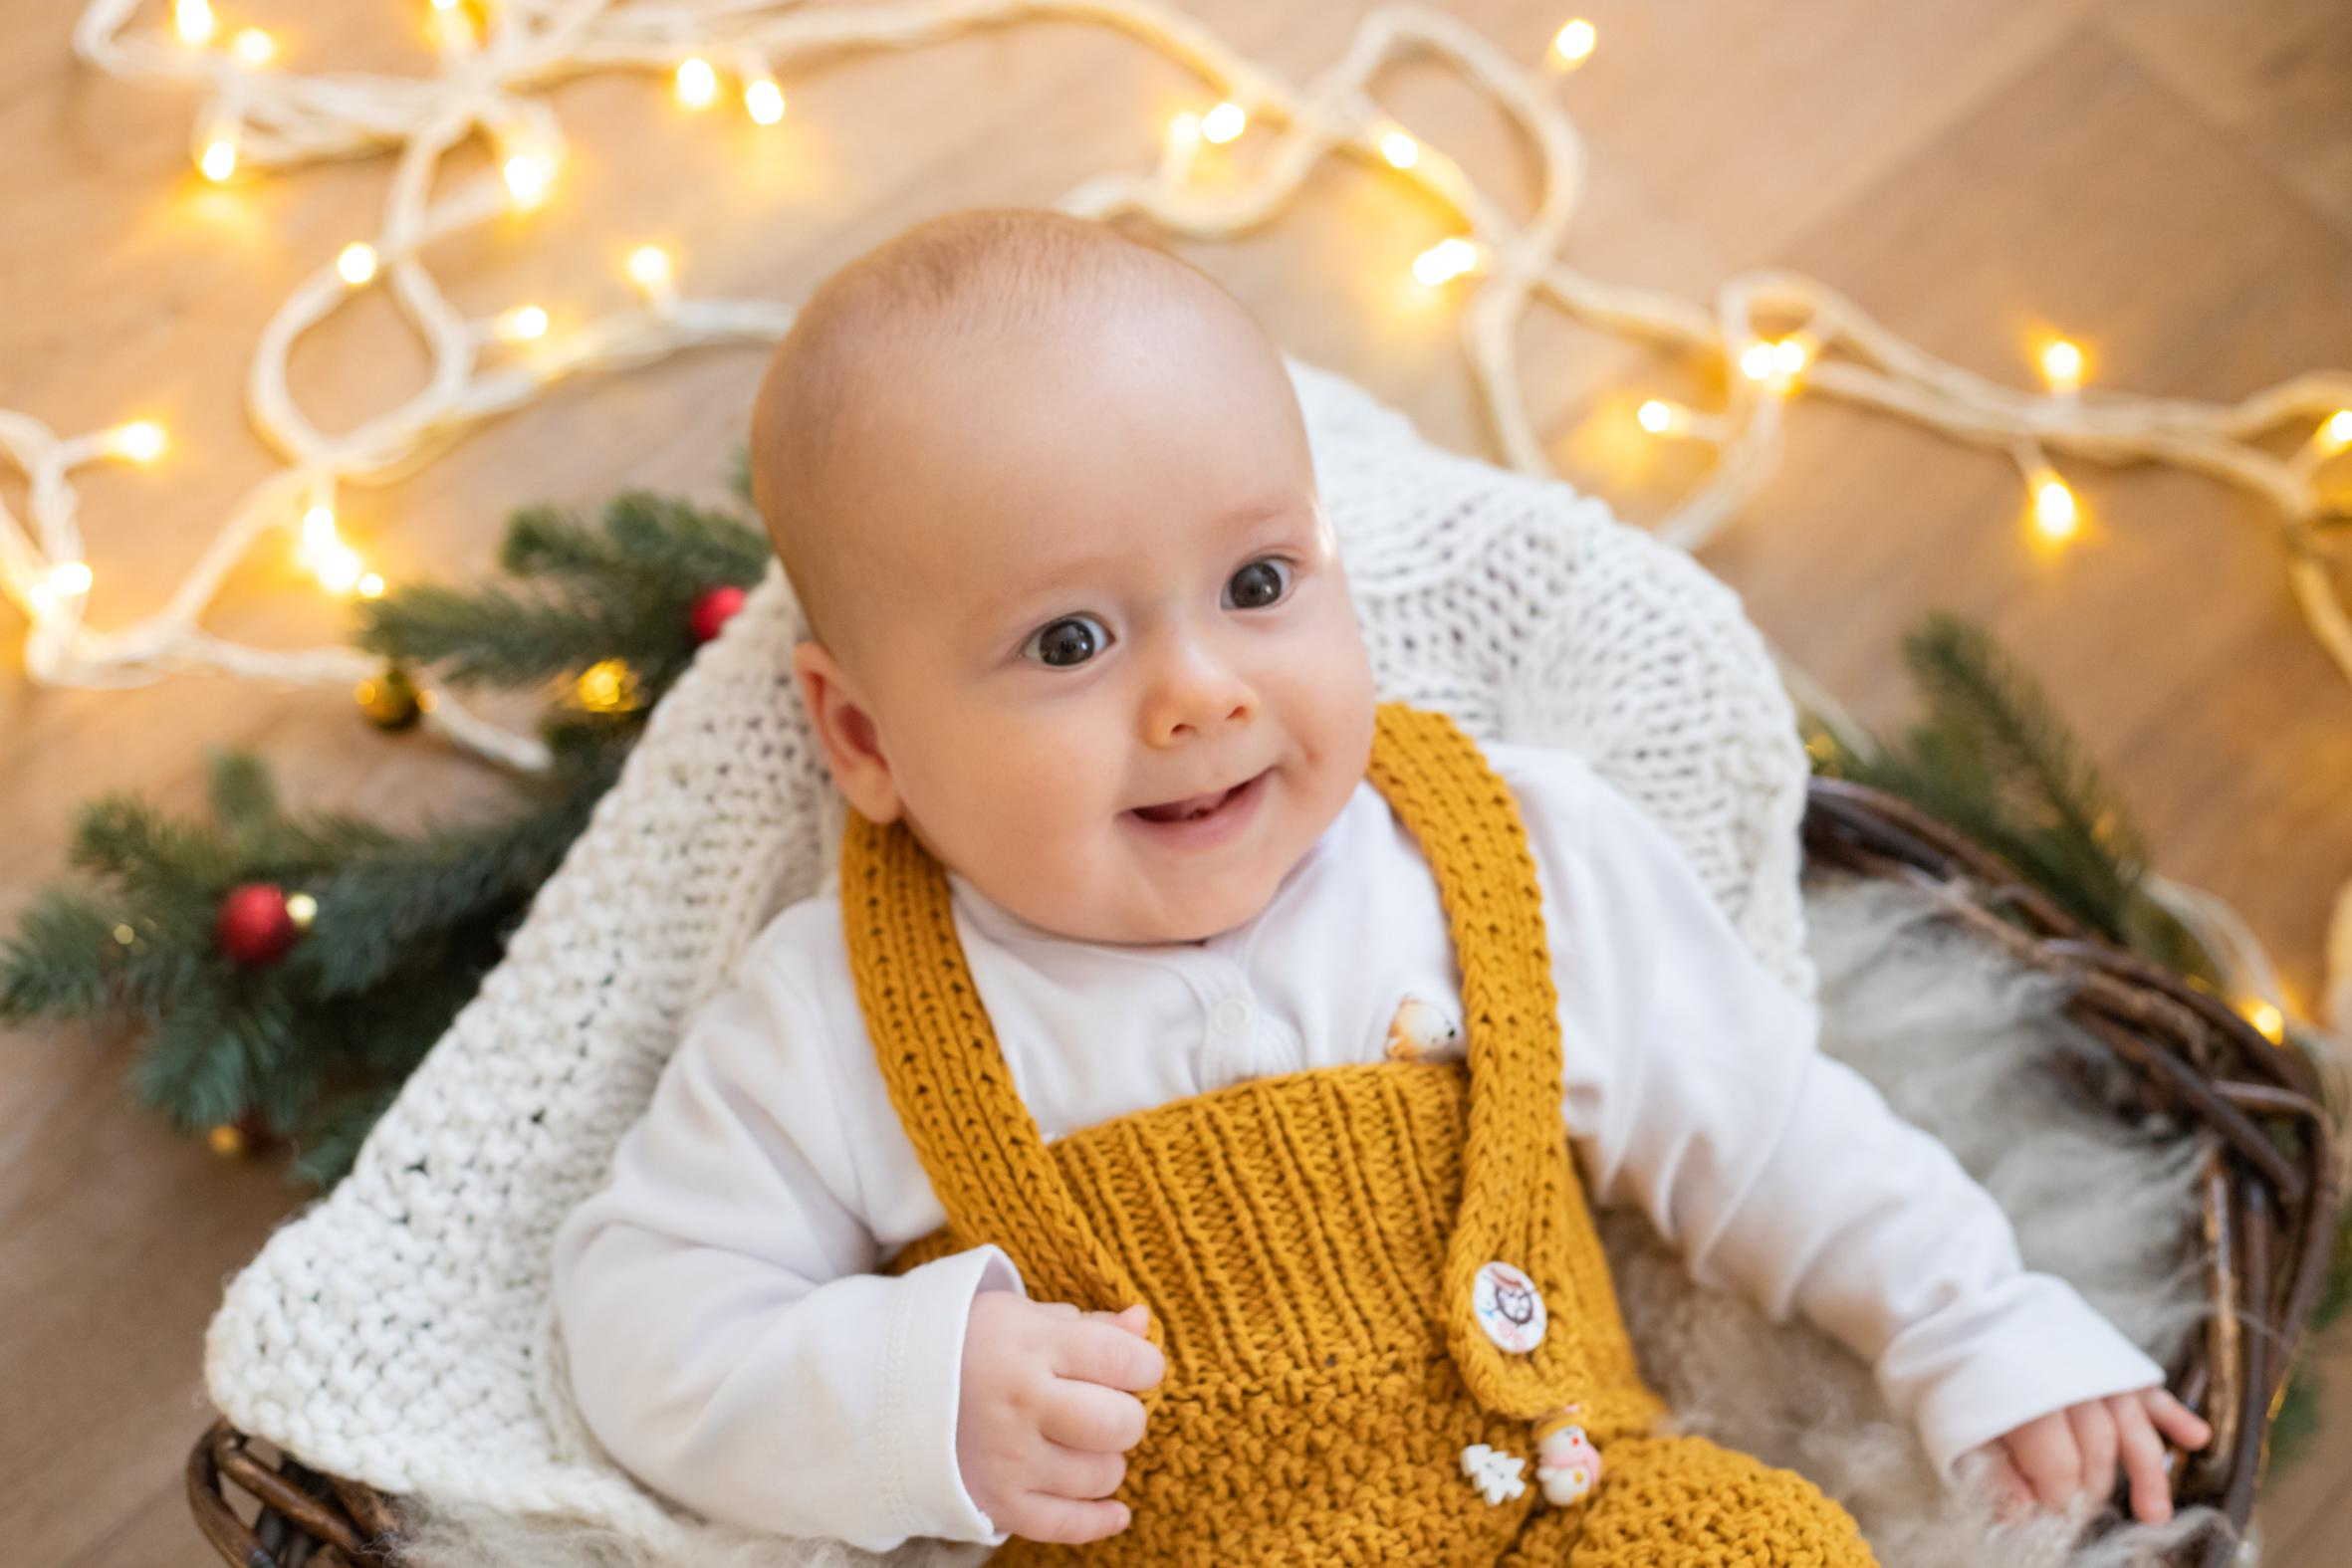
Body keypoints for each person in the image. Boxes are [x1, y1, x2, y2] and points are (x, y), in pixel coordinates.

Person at [549, 207, 2211, 1563]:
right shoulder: (843, 1008)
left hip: (1561, 1521)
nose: (1197, 692)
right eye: (1070, 639)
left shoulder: (1495, 853)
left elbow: (1764, 1122)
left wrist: (1971, 1325)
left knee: (1755, 1541)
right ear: (864, 736)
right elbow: (644, 1325)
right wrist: (912, 1396)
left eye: (1256, 581)